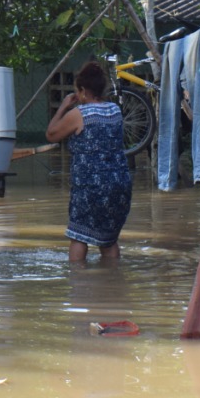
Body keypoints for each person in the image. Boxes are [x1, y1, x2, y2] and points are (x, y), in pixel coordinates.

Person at [45, 61, 132, 262]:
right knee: (109, 241)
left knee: (78, 237)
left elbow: (51, 134)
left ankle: (79, 285)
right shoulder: (115, 110)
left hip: (90, 187)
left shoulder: (79, 114)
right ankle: (111, 283)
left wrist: (64, 107)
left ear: (82, 90)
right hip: (119, 185)